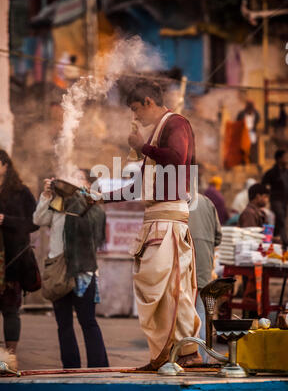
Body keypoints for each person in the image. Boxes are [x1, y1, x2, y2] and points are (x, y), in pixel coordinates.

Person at [99, 79, 201, 370]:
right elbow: (137, 187)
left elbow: (177, 158)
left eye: (135, 109)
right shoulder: (158, 135)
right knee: (162, 290)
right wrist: (98, 198)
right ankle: (168, 355)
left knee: (169, 290)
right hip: (157, 219)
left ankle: (184, 353)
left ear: (148, 102)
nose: (135, 117)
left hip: (168, 220)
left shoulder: (175, 124)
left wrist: (140, 146)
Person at [33, 169, 109, 369]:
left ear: (88, 184)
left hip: (83, 272)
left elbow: (97, 229)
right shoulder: (59, 204)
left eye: (79, 177)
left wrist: (85, 197)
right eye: (71, 176)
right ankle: (71, 366)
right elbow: (39, 220)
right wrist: (47, 195)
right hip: (59, 271)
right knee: (64, 324)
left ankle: (99, 367)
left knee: (88, 321)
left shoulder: (92, 205)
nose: (73, 180)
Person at [0, 150, 38, 361]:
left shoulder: (20, 192)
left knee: (10, 310)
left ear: (5, 166)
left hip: (13, 261)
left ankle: (10, 356)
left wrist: (6, 220)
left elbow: (33, 222)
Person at [188, 194, 222, 362]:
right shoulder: (208, 202)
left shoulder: (176, 200)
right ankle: (204, 359)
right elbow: (218, 237)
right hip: (204, 266)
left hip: (185, 264)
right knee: (202, 312)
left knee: (184, 313)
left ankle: (186, 357)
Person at [238, 183, 269, 318]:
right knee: (251, 298)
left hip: (257, 260)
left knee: (257, 298)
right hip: (250, 261)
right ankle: (250, 325)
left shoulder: (259, 213)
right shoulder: (249, 214)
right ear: (258, 197)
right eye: (265, 196)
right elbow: (249, 239)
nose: (267, 200)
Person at [262, 150, 288, 249]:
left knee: (280, 222)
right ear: (279, 159)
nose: (286, 159)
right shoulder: (272, 172)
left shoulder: (286, 172)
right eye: (285, 157)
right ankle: (285, 241)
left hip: (284, 202)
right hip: (275, 200)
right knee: (280, 219)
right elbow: (264, 185)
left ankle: (279, 242)